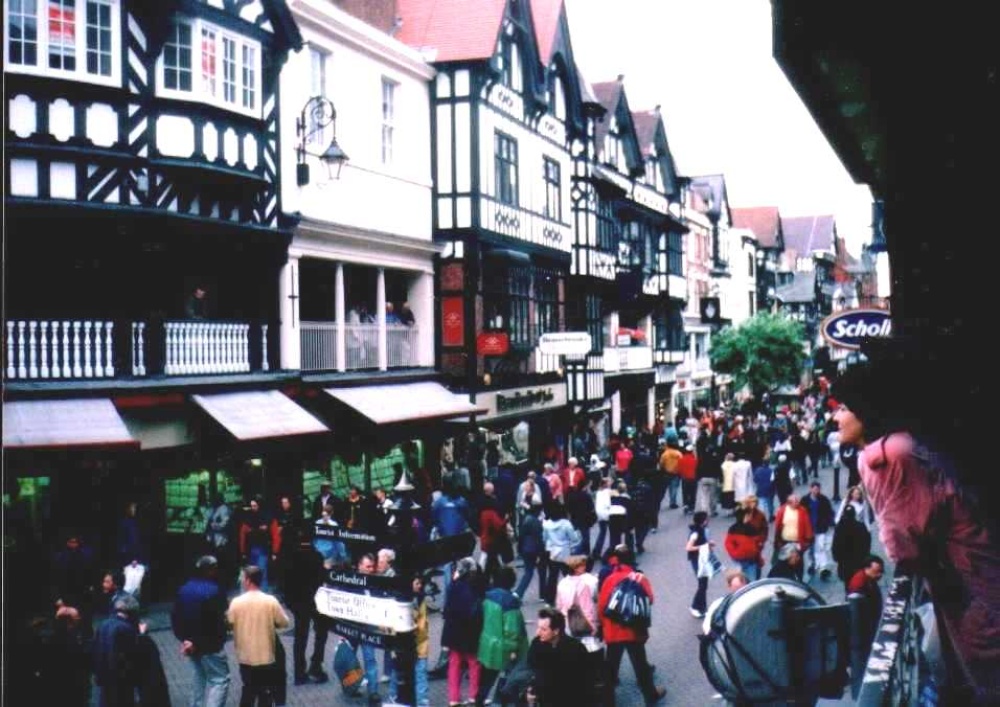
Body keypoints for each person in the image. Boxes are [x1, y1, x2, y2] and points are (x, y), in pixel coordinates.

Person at [833, 361, 1000, 676]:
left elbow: (901, 543)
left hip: (965, 581)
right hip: (972, 570)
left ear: (864, 409)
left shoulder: (885, 455)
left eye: (843, 408)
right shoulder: (900, 444)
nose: (835, 418)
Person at [597, 546, 666, 705]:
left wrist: (603, 627)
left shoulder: (609, 580)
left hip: (613, 632)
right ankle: (650, 696)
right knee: (641, 666)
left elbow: (601, 607)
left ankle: (608, 702)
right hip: (634, 631)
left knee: (611, 670)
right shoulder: (640, 578)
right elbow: (649, 599)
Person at [171, 555, 231, 707]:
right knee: (219, 680)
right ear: (211, 570)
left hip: (190, 644)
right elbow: (218, 620)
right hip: (210, 645)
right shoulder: (215, 590)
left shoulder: (184, 589)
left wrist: (185, 640)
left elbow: (175, 617)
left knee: (199, 676)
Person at [227, 565, 290, 707]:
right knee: (265, 692)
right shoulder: (270, 601)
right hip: (266, 656)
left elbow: (229, 623)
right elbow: (284, 622)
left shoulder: (236, 602)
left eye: (242, 578)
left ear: (248, 580)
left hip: (245, 656)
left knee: (248, 689)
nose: (241, 581)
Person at [476, 566, 529, 706]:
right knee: (510, 679)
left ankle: (479, 702)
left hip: (488, 645)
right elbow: (512, 630)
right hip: (505, 648)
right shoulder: (510, 602)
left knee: (485, 680)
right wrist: (512, 649)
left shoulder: (487, 597)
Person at [283, 530, 329, 685]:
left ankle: (299, 673)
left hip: (298, 602)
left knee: (300, 637)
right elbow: (322, 579)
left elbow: (285, 581)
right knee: (321, 633)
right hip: (315, 601)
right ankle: (316, 665)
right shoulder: (317, 557)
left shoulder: (291, 556)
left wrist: (290, 602)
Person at [526, 607, 594, 706]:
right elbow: (530, 669)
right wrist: (528, 691)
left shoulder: (576, 649)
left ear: (556, 631)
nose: (538, 632)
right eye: (538, 627)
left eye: (543, 629)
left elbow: (586, 682)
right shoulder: (537, 644)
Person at [441, 557, 484, 707]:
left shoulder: (453, 586)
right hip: (471, 631)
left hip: (454, 631)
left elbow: (447, 610)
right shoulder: (477, 587)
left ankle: (453, 698)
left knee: (454, 664)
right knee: (474, 663)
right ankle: (473, 695)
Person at [92, 593, 144, 707]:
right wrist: (142, 636)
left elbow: (95, 651)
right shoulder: (126, 629)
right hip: (121, 682)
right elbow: (132, 657)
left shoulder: (103, 624)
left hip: (104, 680)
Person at [832, 505, 872, 595]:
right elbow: (866, 543)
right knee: (859, 582)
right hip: (858, 561)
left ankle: (850, 598)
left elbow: (835, 544)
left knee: (848, 584)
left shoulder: (839, 527)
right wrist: (866, 556)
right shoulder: (861, 526)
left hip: (845, 563)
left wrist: (836, 557)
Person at [804, 481, 836, 580]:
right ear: (810, 489)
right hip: (809, 529)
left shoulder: (824, 499)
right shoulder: (805, 500)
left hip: (820, 528)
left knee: (820, 547)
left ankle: (823, 568)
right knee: (811, 549)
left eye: (818, 489)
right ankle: (812, 565)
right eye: (814, 489)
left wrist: (830, 523)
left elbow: (830, 512)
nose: (816, 491)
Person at [686, 511, 714, 618]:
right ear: (703, 521)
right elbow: (688, 547)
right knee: (702, 584)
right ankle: (694, 607)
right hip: (697, 560)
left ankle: (702, 608)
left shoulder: (701, 530)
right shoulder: (695, 533)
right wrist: (704, 546)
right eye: (707, 519)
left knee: (704, 584)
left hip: (701, 559)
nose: (708, 520)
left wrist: (708, 544)